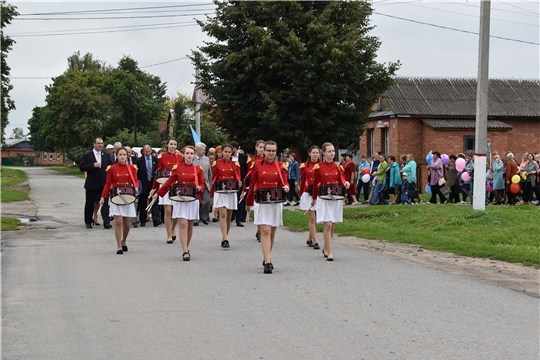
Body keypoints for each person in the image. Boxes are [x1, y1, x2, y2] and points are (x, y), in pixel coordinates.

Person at [245, 140, 289, 274]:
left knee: (272, 231)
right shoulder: (256, 165)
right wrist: (248, 203)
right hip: (262, 201)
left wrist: (286, 186)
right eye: (268, 150)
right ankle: (268, 262)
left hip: (275, 201)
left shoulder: (280, 166)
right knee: (265, 230)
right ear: (263, 151)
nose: (271, 153)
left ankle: (266, 256)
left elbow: (285, 181)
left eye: (273, 151)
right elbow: (252, 185)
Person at [153, 146, 204, 261]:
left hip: (193, 199)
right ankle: (185, 251)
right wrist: (158, 193)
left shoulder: (198, 169)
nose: (190, 155)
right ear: (183, 155)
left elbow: (202, 184)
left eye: (191, 153)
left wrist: (199, 188)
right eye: (187, 153)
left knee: (190, 226)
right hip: (180, 199)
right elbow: (169, 182)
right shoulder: (177, 168)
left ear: (194, 155)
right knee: (182, 224)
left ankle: (187, 246)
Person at [311, 142, 350, 261]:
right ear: (324, 153)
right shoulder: (319, 167)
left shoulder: (338, 167)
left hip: (335, 198)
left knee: (332, 225)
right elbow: (314, 184)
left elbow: (342, 179)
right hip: (323, 198)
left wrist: (345, 183)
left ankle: (326, 247)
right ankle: (330, 252)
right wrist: (313, 198)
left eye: (333, 151)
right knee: (327, 224)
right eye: (329, 151)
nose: (332, 153)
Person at [99, 147, 139, 254]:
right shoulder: (111, 168)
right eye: (120, 155)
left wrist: (136, 188)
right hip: (116, 197)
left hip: (128, 197)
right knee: (118, 222)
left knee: (127, 223)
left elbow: (135, 181)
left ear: (127, 156)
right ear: (116, 156)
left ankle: (124, 241)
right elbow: (107, 184)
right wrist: (103, 197)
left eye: (124, 155)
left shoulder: (132, 168)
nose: (122, 157)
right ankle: (118, 246)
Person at [152, 137, 183, 244]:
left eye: (175, 144)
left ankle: (173, 228)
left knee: (175, 211)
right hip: (164, 184)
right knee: (168, 210)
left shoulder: (180, 157)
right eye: (171, 144)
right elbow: (158, 172)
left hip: (176, 185)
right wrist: (154, 187)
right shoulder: (162, 156)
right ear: (167, 145)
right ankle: (169, 234)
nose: (173, 146)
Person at [211, 143, 242, 248]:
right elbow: (214, 178)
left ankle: (225, 236)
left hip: (231, 191)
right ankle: (225, 238)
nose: (227, 154)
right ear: (222, 152)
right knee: (223, 214)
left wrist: (239, 182)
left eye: (229, 152)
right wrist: (212, 192)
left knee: (229, 216)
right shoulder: (216, 163)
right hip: (220, 191)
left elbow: (238, 176)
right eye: (225, 152)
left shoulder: (235, 164)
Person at [79, 137, 113, 229]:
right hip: (92, 183)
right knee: (90, 203)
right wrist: (92, 165)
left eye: (102, 143)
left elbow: (111, 166)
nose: (100, 145)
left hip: (103, 183)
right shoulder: (88, 155)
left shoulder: (105, 155)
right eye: (98, 143)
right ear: (94, 144)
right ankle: (88, 221)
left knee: (105, 203)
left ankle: (106, 222)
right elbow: (82, 167)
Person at [243, 140, 266, 240]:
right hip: (255, 187)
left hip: (266, 187)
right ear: (256, 148)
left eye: (263, 148)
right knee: (258, 209)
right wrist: (245, 189)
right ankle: (260, 231)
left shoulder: (268, 160)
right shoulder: (251, 160)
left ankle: (260, 231)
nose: (261, 149)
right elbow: (248, 175)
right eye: (260, 147)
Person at [299, 145, 321, 250]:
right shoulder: (304, 165)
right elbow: (302, 180)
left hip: (318, 193)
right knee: (312, 218)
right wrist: (302, 193)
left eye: (317, 153)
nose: (315, 154)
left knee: (316, 219)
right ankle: (316, 241)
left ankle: (309, 239)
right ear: (309, 153)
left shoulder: (321, 165)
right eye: (314, 152)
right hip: (308, 193)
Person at [136, 145, 161, 226]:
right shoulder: (139, 160)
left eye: (149, 151)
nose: (147, 153)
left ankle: (156, 219)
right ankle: (143, 220)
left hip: (153, 183)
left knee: (154, 201)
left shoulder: (155, 160)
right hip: (143, 183)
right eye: (146, 151)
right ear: (143, 152)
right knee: (143, 201)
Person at [231, 141, 249, 227]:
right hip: (231, 182)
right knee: (232, 199)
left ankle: (239, 219)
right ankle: (231, 217)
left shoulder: (244, 157)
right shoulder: (229, 158)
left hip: (241, 181)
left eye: (232, 149)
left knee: (240, 199)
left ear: (235, 149)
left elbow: (246, 169)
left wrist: (245, 180)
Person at [194, 142, 212, 225]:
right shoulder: (192, 158)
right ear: (197, 150)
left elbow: (209, 173)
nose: (204, 152)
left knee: (207, 200)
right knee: (195, 201)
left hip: (205, 183)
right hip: (195, 183)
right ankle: (195, 218)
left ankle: (203, 216)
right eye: (203, 150)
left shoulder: (206, 159)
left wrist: (210, 184)